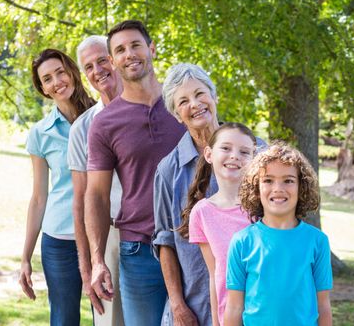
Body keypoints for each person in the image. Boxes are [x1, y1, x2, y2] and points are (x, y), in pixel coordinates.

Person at [85, 20, 186, 326]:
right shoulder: (105, 124)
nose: (129, 54)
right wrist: (97, 260)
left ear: (151, 49)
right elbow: (97, 195)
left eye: (135, 45)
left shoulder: (185, 104)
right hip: (139, 251)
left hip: (193, 245)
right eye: (120, 50)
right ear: (113, 61)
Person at [152, 63, 265, 325]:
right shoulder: (169, 170)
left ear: (214, 97)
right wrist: (178, 306)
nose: (195, 104)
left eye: (200, 94)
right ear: (177, 115)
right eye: (183, 101)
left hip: (256, 302)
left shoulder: (256, 151)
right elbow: (164, 241)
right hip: (196, 305)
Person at [19, 48, 96, 326]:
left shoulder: (104, 116)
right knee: (64, 320)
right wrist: (25, 257)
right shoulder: (40, 133)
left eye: (60, 72)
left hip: (104, 234)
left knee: (111, 318)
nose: (57, 81)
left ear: (72, 72)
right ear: (43, 88)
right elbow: (39, 197)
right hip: (60, 241)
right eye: (47, 78)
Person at [224, 142, 333, 326]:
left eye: (288, 180)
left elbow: (323, 305)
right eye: (268, 180)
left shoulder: (317, 241)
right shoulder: (242, 241)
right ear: (256, 188)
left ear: (301, 187)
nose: (278, 188)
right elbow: (234, 307)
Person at [67, 35, 124, 325]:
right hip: (108, 236)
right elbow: (80, 202)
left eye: (103, 60)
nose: (97, 70)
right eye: (89, 66)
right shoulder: (82, 128)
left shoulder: (159, 109)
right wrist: (88, 266)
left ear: (116, 59)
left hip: (157, 235)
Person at [182, 123, 256, 325]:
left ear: (254, 160)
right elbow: (215, 274)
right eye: (226, 148)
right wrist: (216, 321)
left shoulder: (262, 208)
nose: (235, 156)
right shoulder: (202, 213)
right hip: (229, 316)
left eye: (244, 152)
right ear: (208, 154)